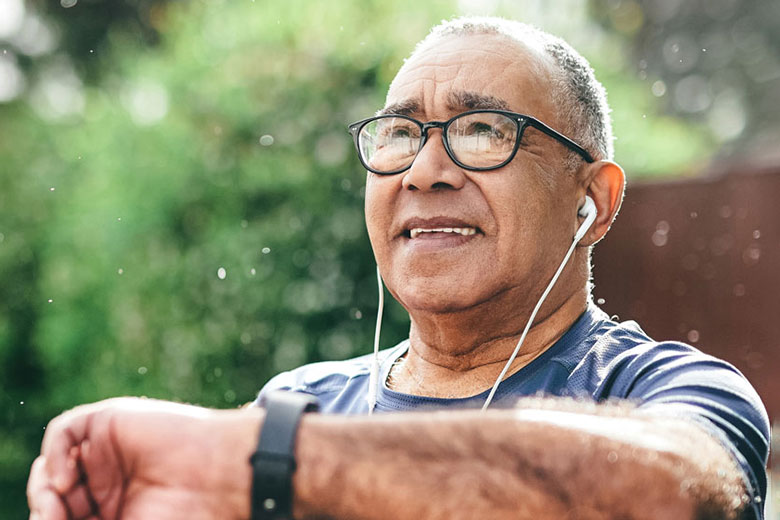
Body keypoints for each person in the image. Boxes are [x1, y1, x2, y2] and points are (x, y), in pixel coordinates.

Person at [27, 17, 769, 520]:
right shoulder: (299, 400)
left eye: (484, 131)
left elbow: (664, 489)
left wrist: (264, 457)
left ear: (594, 200)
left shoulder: (667, 391)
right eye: (400, 133)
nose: (425, 169)